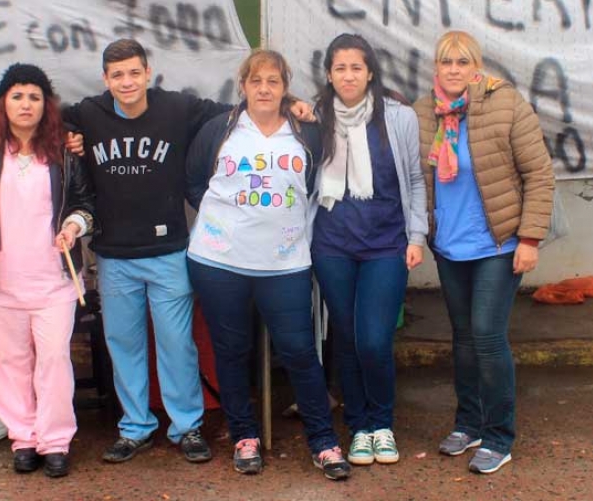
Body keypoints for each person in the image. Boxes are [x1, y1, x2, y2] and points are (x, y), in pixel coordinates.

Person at [185, 49, 351, 481]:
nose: (263, 88)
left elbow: (315, 185)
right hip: (219, 262)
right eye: (255, 80)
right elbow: (194, 181)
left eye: (273, 81)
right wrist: (228, 223)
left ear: (284, 88)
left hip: (285, 262)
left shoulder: (305, 131)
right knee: (232, 351)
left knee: (299, 351)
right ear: (243, 86)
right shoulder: (219, 129)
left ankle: (323, 441)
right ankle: (245, 436)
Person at [61, 38, 222, 465]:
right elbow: (37, 119)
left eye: (134, 72)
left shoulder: (177, 108)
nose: (127, 82)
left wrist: (292, 107)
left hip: (168, 251)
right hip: (114, 255)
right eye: (118, 75)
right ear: (105, 79)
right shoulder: (88, 114)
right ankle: (135, 427)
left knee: (176, 344)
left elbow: (234, 114)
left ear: (148, 73)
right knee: (124, 344)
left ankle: (186, 426)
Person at [413, 30, 554, 475]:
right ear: (436, 67)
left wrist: (530, 239)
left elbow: (539, 174)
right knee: (463, 338)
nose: (453, 70)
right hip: (450, 245)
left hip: (499, 242)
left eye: (462, 62)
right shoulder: (424, 111)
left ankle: (498, 436)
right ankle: (468, 424)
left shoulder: (505, 103)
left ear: (476, 67)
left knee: (487, 336)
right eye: (446, 62)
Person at [0, 64, 95, 478]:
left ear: (46, 104)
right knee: (9, 364)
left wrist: (73, 227)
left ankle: (55, 441)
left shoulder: (65, 152)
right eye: (17, 96)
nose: (26, 104)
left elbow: (84, 204)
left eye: (34, 96)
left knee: (54, 361)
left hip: (54, 281)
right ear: (3, 103)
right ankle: (24, 438)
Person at [310, 33, 426, 466]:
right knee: (345, 337)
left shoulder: (398, 117)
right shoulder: (315, 116)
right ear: (328, 74)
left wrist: (416, 237)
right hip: (332, 245)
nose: (348, 76)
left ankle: (382, 423)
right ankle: (359, 427)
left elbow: (415, 179)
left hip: (386, 243)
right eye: (340, 68)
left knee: (374, 340)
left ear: (370, 72)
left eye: (356, 67)